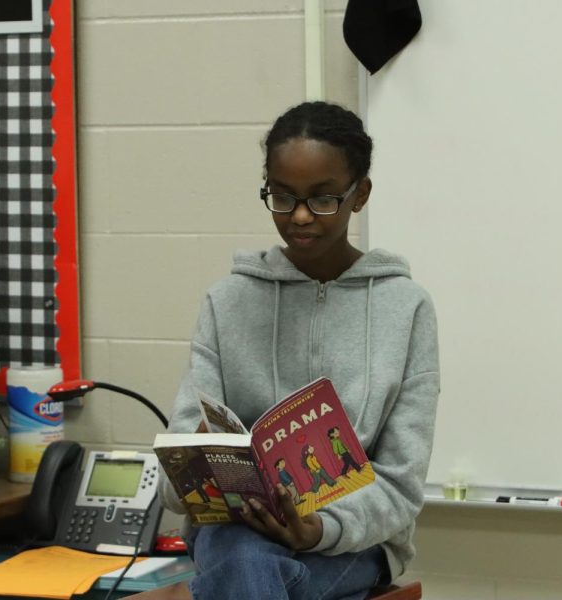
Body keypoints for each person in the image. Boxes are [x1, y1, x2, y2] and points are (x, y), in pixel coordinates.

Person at [146, 101, 440, 600]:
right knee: (244, 556)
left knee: (247, 573)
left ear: (360, 194)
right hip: (234, 534)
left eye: (323, 199)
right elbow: (174, 492)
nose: (300, 216)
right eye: (282, 197)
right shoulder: (227, 301)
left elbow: (401, 483)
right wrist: (195, 463)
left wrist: (319, 529)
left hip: (351, 543)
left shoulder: (405, 308)